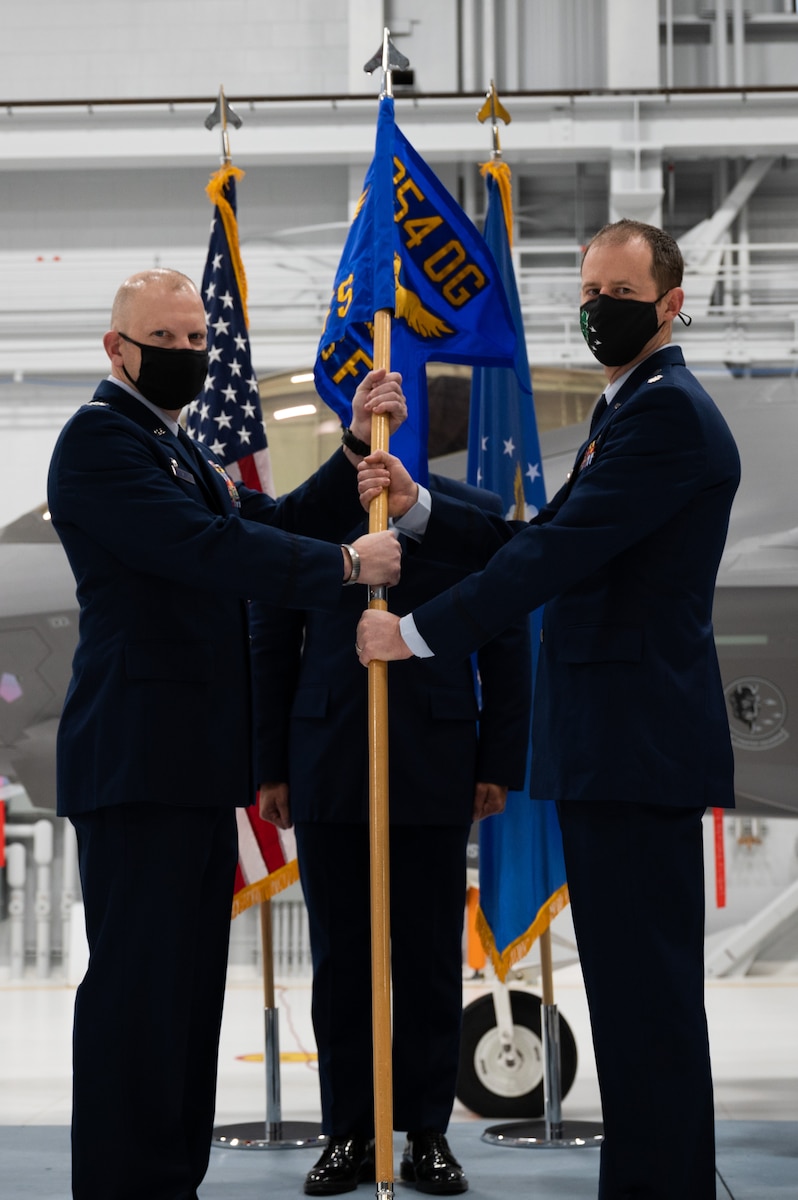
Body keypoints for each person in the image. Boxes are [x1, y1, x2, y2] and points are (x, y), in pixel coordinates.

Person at [355, 220, 741, 1200]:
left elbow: (550, 560)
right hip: (615, 752)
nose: (598, 307)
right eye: (589, 287)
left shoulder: (667, 416)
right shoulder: (633, 411)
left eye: (621, 290)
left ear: (670, 303)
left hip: (633, 751)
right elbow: (544, 532)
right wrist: (419, 504)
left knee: (645, 1009)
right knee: (631, 1007)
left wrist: (414, 633)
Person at [47, 267, 406, 1200]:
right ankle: (126, 1184)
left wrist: (347, 458)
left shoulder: (176, 448)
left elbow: (262, 521)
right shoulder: (100, 443)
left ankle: (168, 1176)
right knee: (140, 997)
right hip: (139, 760)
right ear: (115, 347)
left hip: (189, 764)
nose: (186, 356)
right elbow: (209, 552)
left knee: (183, 997)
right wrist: (343, 562)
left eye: (197, 341)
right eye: (163, 342)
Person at [249, 475, 531, 1196]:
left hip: (435, 760)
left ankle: (428, 1133)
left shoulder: (470, 518)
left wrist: (498, 758)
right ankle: (348, 1131)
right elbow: (273, 637)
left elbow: (504, 638)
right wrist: (271, 765)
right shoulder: (309, 512)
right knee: (342, 959)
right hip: (329, 760)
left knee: (431, 956)